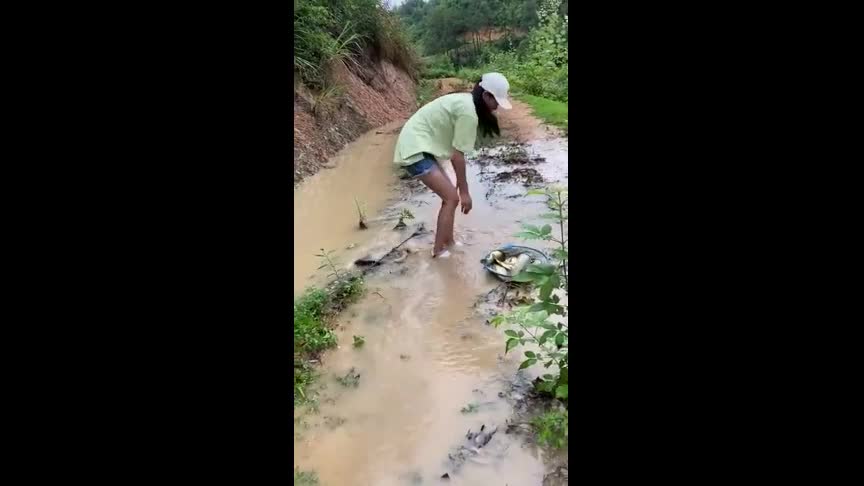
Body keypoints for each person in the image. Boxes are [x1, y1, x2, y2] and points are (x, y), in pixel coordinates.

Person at [393, 72, 512, 258]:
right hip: (415, 150)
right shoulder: (469, 113)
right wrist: (464, 192)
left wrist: (459, 187)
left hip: (421, 145)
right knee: (452, 198)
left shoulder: (467, 102)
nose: (497, 106)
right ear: (486, 95)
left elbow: (455, 152)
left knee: (449, 198)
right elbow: (457, 157)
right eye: (495, 100)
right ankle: (438, 251)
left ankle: (448, 241)